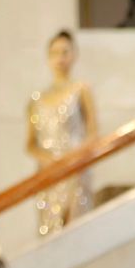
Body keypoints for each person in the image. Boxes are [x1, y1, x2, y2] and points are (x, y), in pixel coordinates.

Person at [28, 29, 95, 236]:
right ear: (48, 57)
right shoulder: (37, 99)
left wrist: (74, 158)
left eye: (65, 52)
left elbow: (93, 132)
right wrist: (49, 160)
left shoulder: (81, 90)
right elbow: (30, 144)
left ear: (74, 55)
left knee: (76, 228)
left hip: (75, 169)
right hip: (48, 173)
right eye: (55, 53)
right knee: (49, 230)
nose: (60, 58)